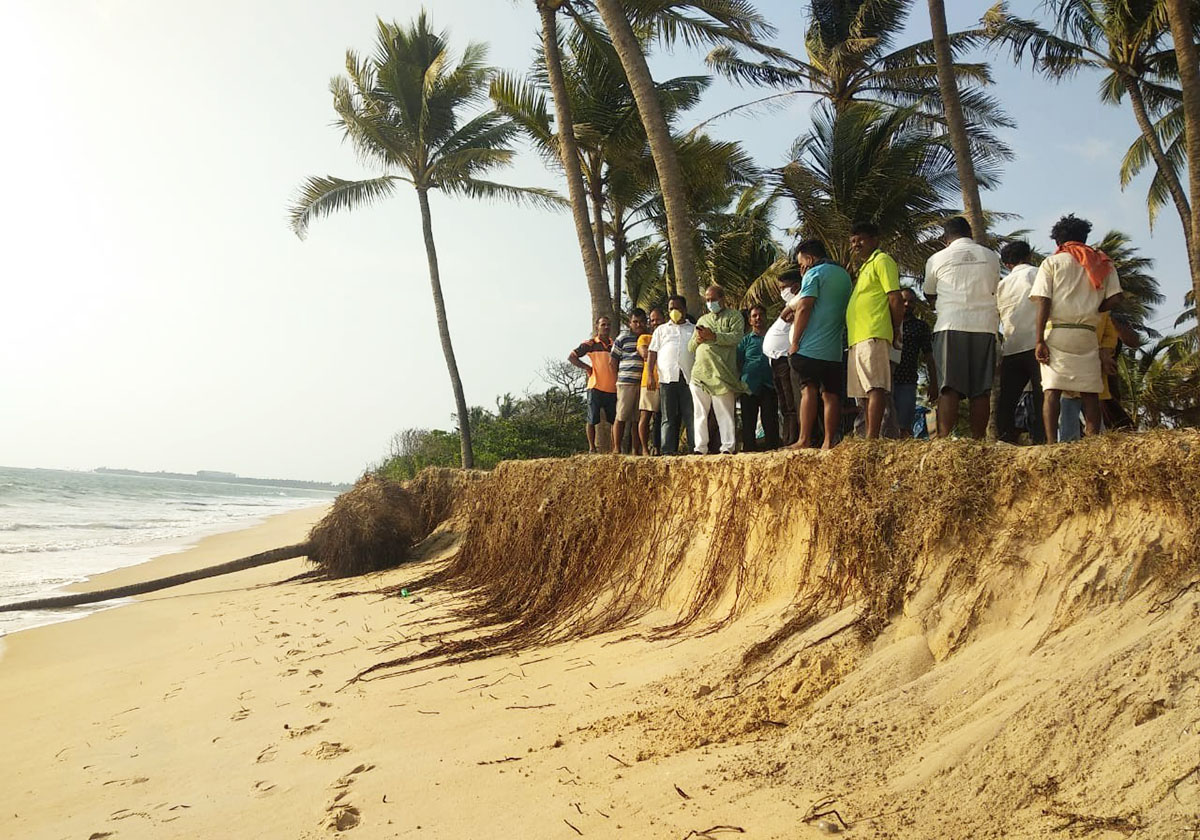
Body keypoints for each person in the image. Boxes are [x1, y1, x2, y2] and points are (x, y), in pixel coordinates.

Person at [1031, 214, 1123, 442]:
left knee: (1052, 390)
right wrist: (1096, 307)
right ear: (1085, 236)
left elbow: (1043, 300)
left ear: (1058, 241)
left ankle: (1052, 444)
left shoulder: (1052, 262)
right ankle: (1092, 443)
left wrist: (1039, 340)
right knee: (1089, 392)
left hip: (1059, 331)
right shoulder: (1103, 262)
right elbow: (1116, 298)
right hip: (1088, 333)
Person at [923, 216, 1001, 440]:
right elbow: (994, 286)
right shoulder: (991, 256)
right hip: (984, 326)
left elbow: (930, 292)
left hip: (950, 324)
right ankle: (979, 442)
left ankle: (945, 440)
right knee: (981, 390)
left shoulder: (937, 258)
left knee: (949, 387)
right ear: (970, 233)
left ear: (945, 238)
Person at [787, 239, 852, 450]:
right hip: (834, 349)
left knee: (808, 390)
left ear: (810, 258)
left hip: (811, 347)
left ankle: (804, 439)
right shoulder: (844, 275)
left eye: (801, 263)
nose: (801, 268)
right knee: (831, 394)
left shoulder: (814, 274)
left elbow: (805, 307)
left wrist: (795, 341)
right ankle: (828, 441)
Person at [845, 221, 904, 439]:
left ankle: (872, 439)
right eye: (852, 241)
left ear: (874, 239)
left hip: (874, 334)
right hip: (857, 338)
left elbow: (895, 298)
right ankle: (867, 438)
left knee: (875, 387)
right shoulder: (864, 268)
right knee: (863, 394)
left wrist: (896, 329)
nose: (855, 244)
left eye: (860, 239)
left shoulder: (882, 260)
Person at [995, 240, 1045, 444]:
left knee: (1007, 399)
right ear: (1030, 255)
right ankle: (1043, 439)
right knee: (1043, 396)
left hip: (1012, 346)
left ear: (1007, 264)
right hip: (1037, 344)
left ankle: (1005, 439)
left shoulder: (1001, 285)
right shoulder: (1038, 274)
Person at [688, 285, 747, 454]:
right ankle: (700, 448)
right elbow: (690, 347)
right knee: (700, 413)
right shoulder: (702, 320)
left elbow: (736, 337)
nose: (710, 303)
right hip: (700, 373)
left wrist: (713, 337)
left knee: (725, 412)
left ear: (722, 299)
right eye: (707, 300)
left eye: (713, 299)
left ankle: (728, 447)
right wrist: (699, 338)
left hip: (722, 373)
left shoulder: (734, 316)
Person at [646, 296, 696, 455]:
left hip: (689, 378)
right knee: (668, 417)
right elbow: (652, 353)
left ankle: (695, 448)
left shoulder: (693, 329)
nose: (674, 312)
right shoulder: (661, 330)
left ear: (684, 309)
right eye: (670, 309)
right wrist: (650, 375)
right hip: (667, 378)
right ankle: (667, 450)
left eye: (677, 308)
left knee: (691, 415)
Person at [763, 267, 804, 445]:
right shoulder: (791, 304)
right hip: (776, 362)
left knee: (791, 403)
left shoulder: (800, 301)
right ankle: (788, 439)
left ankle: (792, 439)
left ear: (795, 287)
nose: (782, 292)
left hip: (785, 360)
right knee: (785, 405)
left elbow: (789, 316)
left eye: (783, 288)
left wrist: (787, 311)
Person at [567, 316, 618, 453]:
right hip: (595, 386)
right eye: (603, 325)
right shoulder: (590, 344)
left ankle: (615, 449)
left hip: (612, 388)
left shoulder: (615, 345)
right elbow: (572, 356)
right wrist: (586, 368)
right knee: (592, 419)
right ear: (597, 327)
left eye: (608, 325)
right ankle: (592, 448)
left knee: (614, 421)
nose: (606, 327)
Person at [893, 288, 936, 438]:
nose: (907, 304)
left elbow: (929, 356)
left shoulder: (920, 327)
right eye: (903, 300)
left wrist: (933, 383)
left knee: (905, 427)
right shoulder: (887, 323)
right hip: (887, 380)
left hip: (907, 381)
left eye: (911, 302)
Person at [737, 304, 779, 451]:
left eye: (761, 314)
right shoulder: (745, 341)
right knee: (748, 422)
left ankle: (772, 449)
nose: (758, 318)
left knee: (770, 420)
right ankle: (749, 450)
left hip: (769, 384)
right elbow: (738, 361)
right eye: (754, 316)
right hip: (748, 386)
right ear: (750, 321)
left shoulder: (773, 337)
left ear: (766, 317)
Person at [611, 309, 648, 455]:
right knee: (621, 416)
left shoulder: (649, 337)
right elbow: (613, 361)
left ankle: (636, 450)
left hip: (642, 382)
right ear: (629, 323)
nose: (638, 325)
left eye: (641, 322)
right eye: (635, 322)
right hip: (625, 382)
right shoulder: (623, 337)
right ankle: (617, 448)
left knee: (637, 419)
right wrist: (617, 380)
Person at [637, 307, 665, 454]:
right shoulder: (645, 338)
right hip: (649, 381)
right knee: (645, 415)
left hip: (665, 381)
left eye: (657, 319)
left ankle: (658, 447)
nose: (655, 322)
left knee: (661, 418)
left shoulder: (667, 336)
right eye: (652, 320)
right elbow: (645, 354)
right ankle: (644, 449)